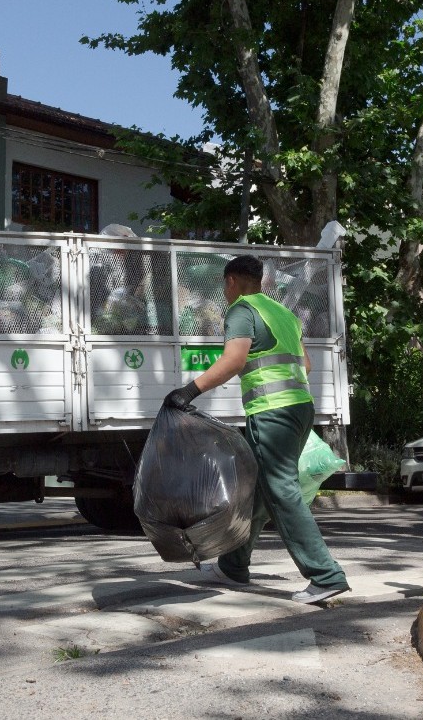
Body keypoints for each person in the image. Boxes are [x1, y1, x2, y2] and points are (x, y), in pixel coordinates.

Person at [162, 255, 351, 604]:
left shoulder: (240, 310)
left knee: (281, 491)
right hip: (299, 408)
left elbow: (233, 360)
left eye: (223, 286)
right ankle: (234, 565)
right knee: (258, 493)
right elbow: (305, 365)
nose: (224, 291)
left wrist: (188, 392)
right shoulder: (283, 313)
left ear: (230, 282)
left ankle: (325, 575)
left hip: (271, 413)